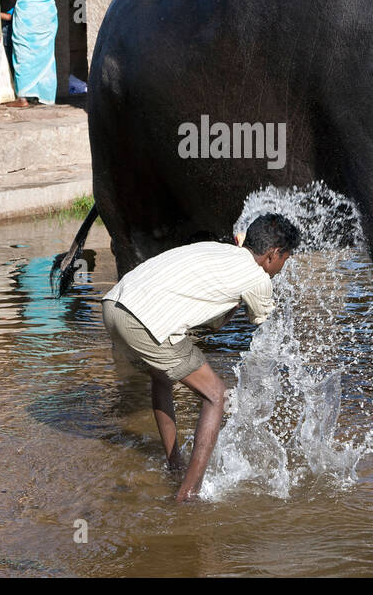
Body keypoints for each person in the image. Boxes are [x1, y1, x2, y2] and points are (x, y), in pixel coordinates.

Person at [101, 213, 302, 502]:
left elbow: (214, 319)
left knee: (162, 376)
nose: (283, 268)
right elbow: (260, 318)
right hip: (142, 323)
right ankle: (189, 494)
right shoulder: (258, 279)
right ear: (273, 255)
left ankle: (175, 467)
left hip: (114, 306)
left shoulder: (221, 250)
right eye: (286, 259)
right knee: (216, 394)